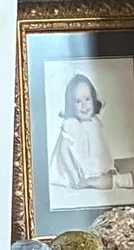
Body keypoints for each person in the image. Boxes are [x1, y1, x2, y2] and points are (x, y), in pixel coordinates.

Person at [49, 71, 125, 201]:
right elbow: (64, 152)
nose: (84, 105)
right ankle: (97, 181)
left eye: (87, 99)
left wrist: (108, 165)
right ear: (71, 105)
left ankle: (106, 179)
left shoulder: (95, 122)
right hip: (75, 170)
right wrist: (74, 175)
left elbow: (102, 147)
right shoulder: (70, 125)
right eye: (78, 101)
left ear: (94, 100)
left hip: (92, 167)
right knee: (93, 182)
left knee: (104, 179)